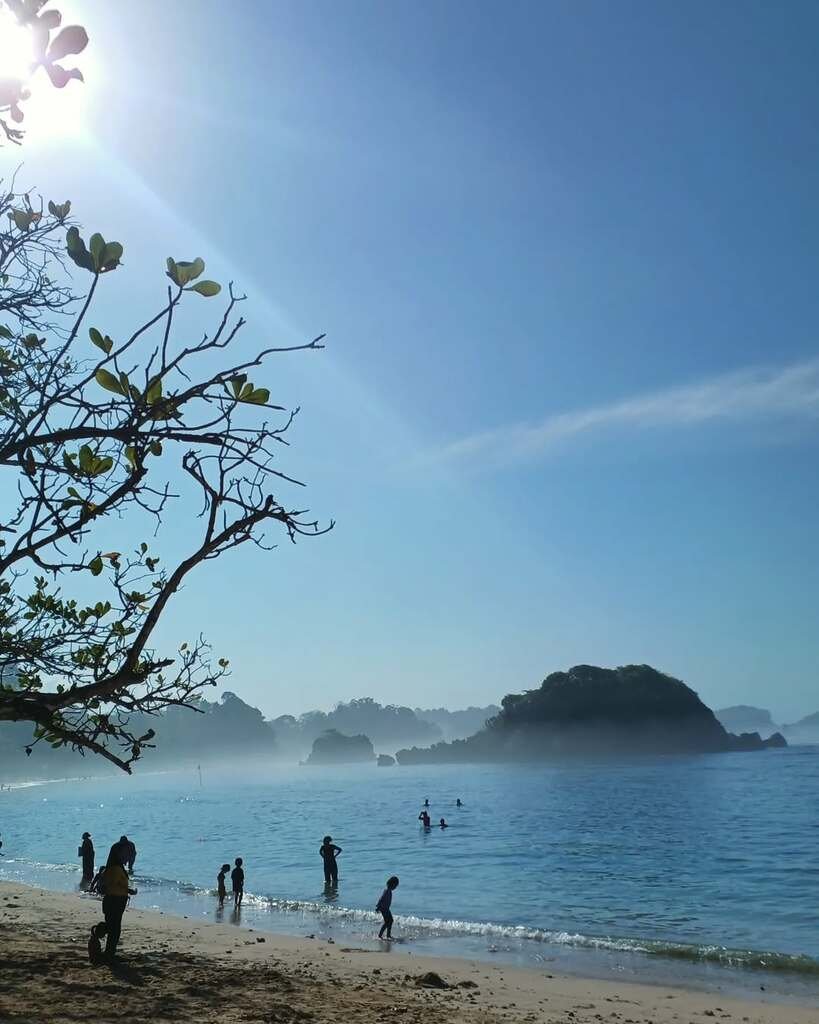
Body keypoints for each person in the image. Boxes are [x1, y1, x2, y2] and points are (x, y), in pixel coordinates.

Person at [101, 845, 136, 960]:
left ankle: (109, 953)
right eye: (125, 853)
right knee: (114, 930)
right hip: (115, 901)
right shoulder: (116, 868)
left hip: (113, 900)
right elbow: (114, 884)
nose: (127, 857)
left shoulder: (113, 867)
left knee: (113, 929)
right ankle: (109, 954)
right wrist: (129, 890)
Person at [376, 875, 399, 940]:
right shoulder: (387, 891)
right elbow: (381, 898)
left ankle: (388, 935)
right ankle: (380, 935)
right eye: (395, 886)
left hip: (386, 909)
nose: (395, 887)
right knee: (388, 922)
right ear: (392, 884)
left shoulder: (389, 891)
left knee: (390, 921)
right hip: (383, 909)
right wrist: (378, 906)